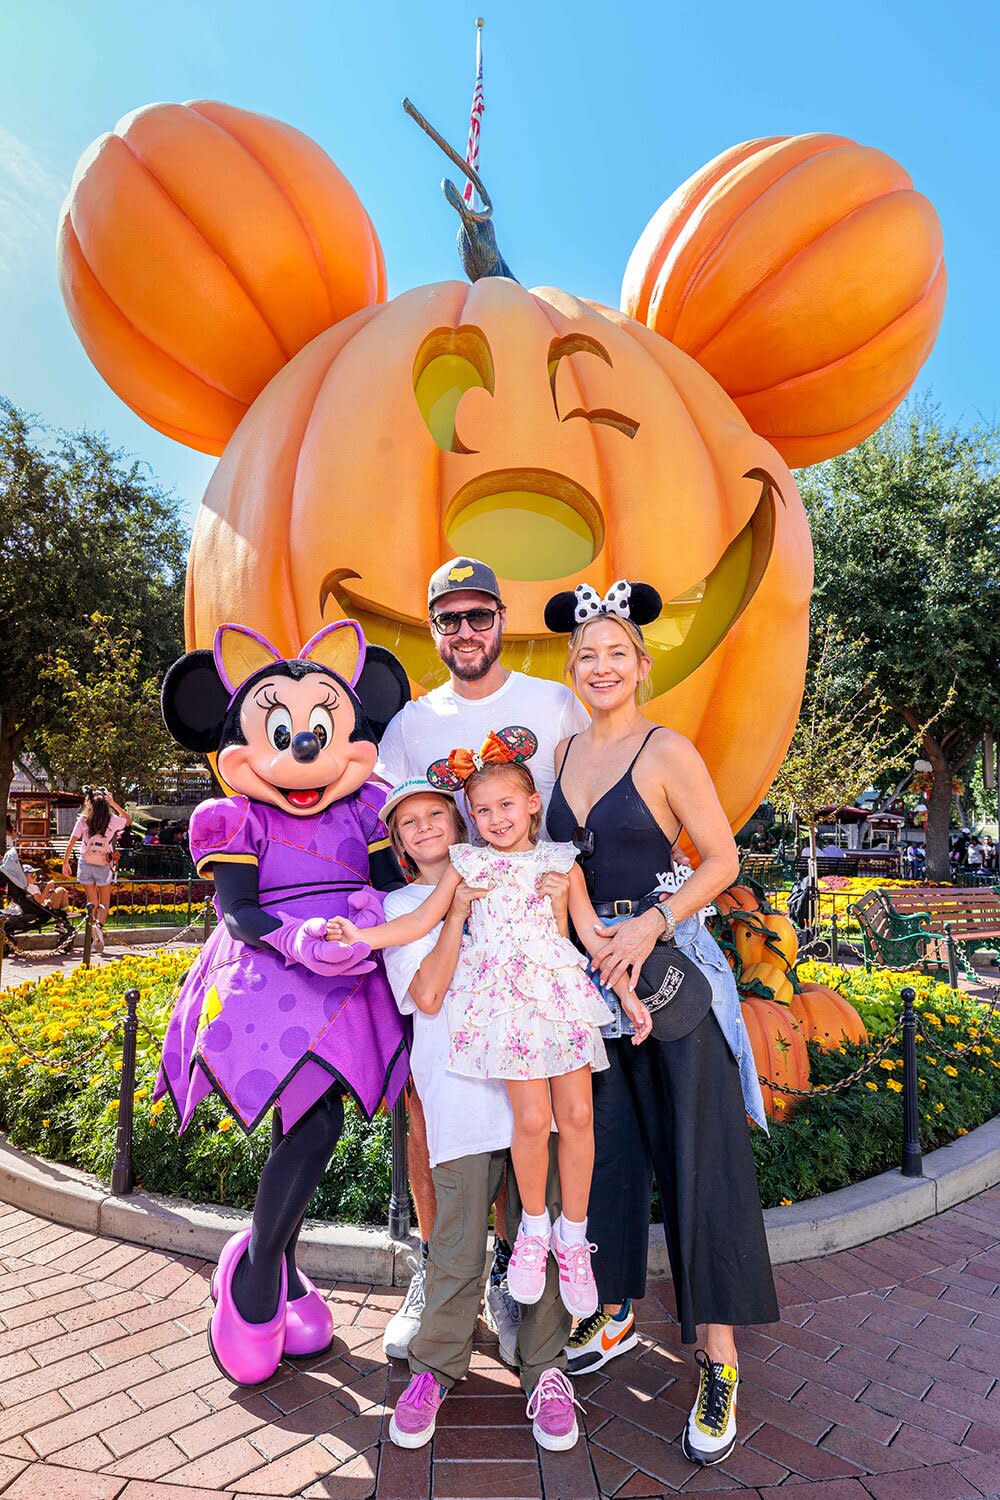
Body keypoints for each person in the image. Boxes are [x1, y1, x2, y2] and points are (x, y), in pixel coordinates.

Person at [544, 579, 778, 1470]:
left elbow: (722, 858)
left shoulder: (666, 748)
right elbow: (553, 859)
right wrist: (587, 934)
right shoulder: (561, 753)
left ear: (641, 665)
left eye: (617, 654)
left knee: (697, 1165)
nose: (602, 667)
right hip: (585, 986)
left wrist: (649, 924)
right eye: (588, 655)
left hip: (671, 978)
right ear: (572, 668)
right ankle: (609, 1312)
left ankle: (717, 1363)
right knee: (599, 1154)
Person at [153, 621, 412, 1387]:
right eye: (282, 729)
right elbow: (239, 910)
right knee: (314, 1121)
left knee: (309, 1124)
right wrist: (299, 940)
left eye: (320, 728)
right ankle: (257, 1274)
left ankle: (277, 1266)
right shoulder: (236, 817)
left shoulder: (365, 809)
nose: (303, 748)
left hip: (352, 972)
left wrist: (372, 922)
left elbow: (393, 886)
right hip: (270, 977)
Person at [329, 737, 649, 1320]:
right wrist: (361, 937)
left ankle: (572, 1240)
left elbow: (592, 936)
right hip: (505, 1006)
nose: (496, 819)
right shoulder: (466, 865)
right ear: (469, 819)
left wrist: (627, 992)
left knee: (576, 1118)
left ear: (532, 804)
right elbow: (421, 920)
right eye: (482, 810)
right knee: (531, 1121)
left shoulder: (561, 865)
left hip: (558, 999)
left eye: (507, 805)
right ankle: (531, 1232)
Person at [376, 556, 589, 1359]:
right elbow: (397, 825)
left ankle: (511, 1274)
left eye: (478, 615)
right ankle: (437, 1270)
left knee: (520, 1119)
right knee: (434, 1115)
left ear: (503, 618)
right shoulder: (411, 725)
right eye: (448, 619)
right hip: (448, 936)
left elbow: (577, 809)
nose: (464, 631)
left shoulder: (551, 704)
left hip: (529, 955)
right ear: (433, 629)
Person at [379, 778, 584, 1452]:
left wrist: (557, 906)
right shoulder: (405, 903)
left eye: (435, 814)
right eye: (409, 824)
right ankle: (435, 1368)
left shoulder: (517, 876)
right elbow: (430, 995)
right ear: (400, 844)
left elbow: (564, 957)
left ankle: (546, 1369)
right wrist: (457, 915)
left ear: (459, 822)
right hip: (461, 1097)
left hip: (535, 1091)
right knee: (457, 1245)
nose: (425, 828)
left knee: (545, 1231)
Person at [62, 788, 129, 953]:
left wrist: (65, 862)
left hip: (85, 863)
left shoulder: (84, 820)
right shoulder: (112, 820)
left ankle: (93, 938)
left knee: (92, 903)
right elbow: (128, 821)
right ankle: (98, 931)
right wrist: (114, 803)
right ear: (106, 806)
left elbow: (71, 842)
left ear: (89, 804)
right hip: (103, 865)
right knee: (104, 903)